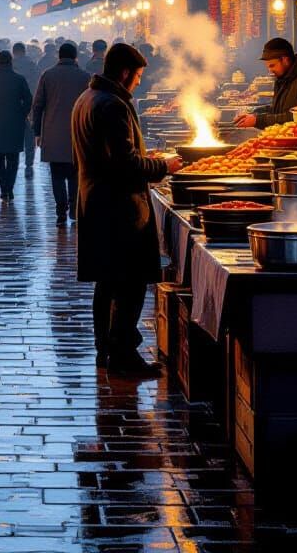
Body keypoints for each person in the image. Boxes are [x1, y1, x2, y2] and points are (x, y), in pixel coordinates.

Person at [72, 43, 184, 376]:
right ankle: (122, 355)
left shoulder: (87, 99)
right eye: (136, 77)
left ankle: (105, 349)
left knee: (107, 283)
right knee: (129, 283)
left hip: (97, 203)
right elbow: (125, 163)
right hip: (118, 209)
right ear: (124, 73)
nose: (137, 83)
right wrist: (163, 166)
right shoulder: (112, 106)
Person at [32, 43, 90, 227]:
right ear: (76, 57)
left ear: (59, 56)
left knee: (56, 175)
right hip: (78, 133)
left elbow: (38, 105)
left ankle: (60, 212)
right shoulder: (85, 77)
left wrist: (37, 132)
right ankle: (74, 207)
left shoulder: (48, 75)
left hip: (53, 132)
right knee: (75, 172)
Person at [233, 37, 297, 128]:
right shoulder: (283, 79)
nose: (270, 71)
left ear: (285, 60)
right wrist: (254, 113)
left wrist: (258, 121)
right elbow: (277, 110)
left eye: (272, 66)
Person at [0, 50, 33, 202]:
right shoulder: (19, 79)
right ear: (11, 62)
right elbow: (28, 99)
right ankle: (9, 187)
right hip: (15, 122)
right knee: (12, 157)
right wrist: (22, 114)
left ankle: (4, 189)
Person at [11, 42, 41, 176]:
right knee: (29, 135)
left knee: (13, 134)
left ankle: (13, 160)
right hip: (29, 103)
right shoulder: (32, 64)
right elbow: (36, 84)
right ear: (24, 51)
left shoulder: (10, 65)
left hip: (13, 104)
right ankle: (29, 163)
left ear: (14, 52)